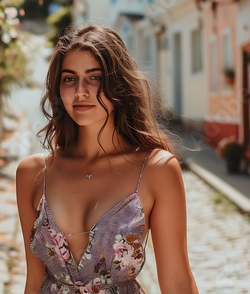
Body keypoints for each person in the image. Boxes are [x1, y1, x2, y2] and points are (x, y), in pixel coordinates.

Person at [16, 25, 199, 293]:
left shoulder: (156, 170)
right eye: (69, 79)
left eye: (95, 77)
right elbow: (34, 282)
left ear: (118, 83)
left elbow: (178, 284)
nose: (81, 91)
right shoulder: (32, 173)